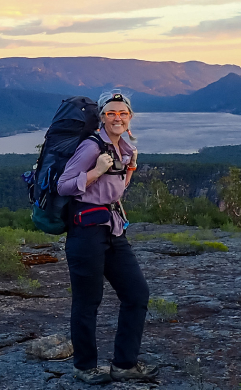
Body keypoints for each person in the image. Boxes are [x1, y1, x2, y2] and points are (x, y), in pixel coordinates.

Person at [57, 91, 156, 384]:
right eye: (111, 113)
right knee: (88, 301)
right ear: (101, 117)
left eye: (123, 113)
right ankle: (84, 367)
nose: (117, 118)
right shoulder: (91, 147)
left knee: (137, 294)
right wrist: (97, 170)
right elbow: (64, 185)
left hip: (113, 230)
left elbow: (114, 192)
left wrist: (130, 170)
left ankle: (124, 365)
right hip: (86, 232)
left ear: (130, 118)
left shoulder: (123, 148)